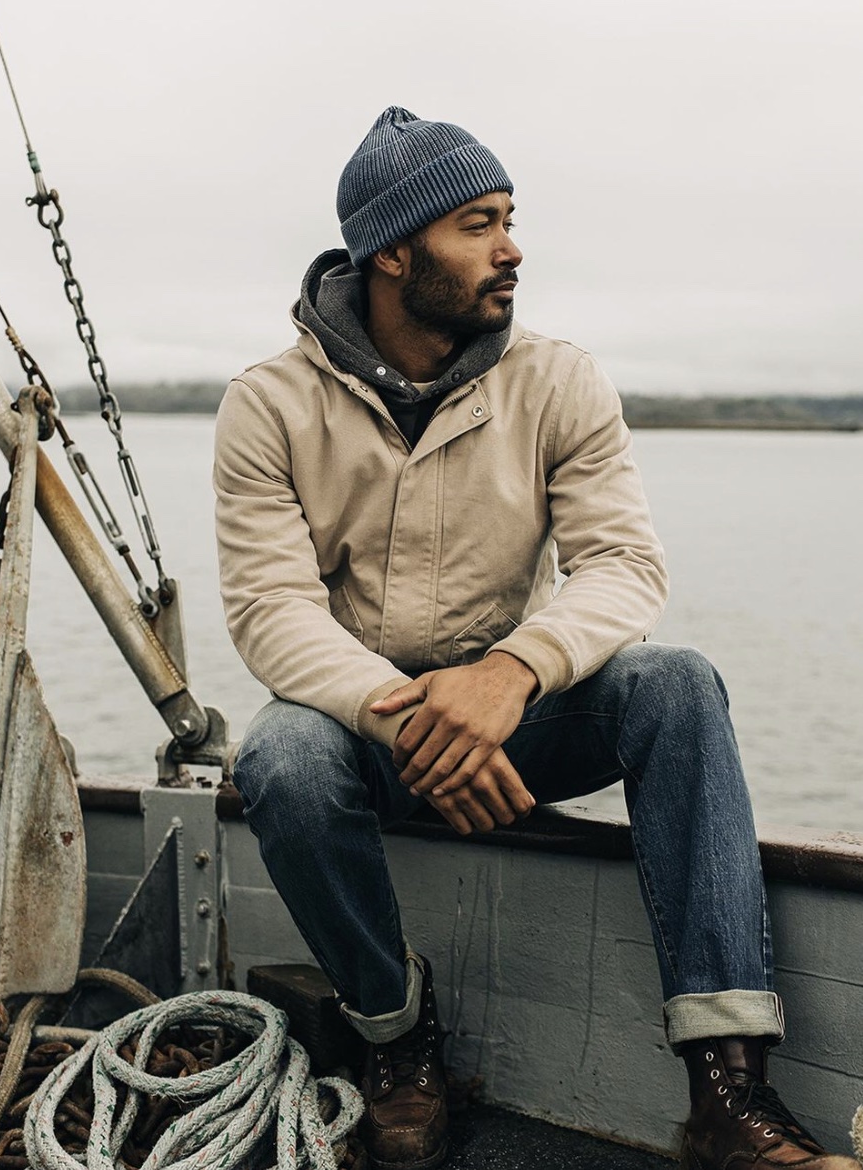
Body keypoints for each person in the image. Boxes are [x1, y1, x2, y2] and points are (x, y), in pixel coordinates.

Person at [214, 106, 859, 1170]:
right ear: (393, 248)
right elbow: (269, 609)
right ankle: (395, 1036)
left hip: (518, 725)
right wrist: (412, 714)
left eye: (510, 218)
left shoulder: (557, 379)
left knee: (675, 684)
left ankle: (726, 1094)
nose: (511, 248)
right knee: (279, 755)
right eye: (478, 223)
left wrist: (509, 674)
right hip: (365, 734)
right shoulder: (268, 405)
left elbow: (621, 567)